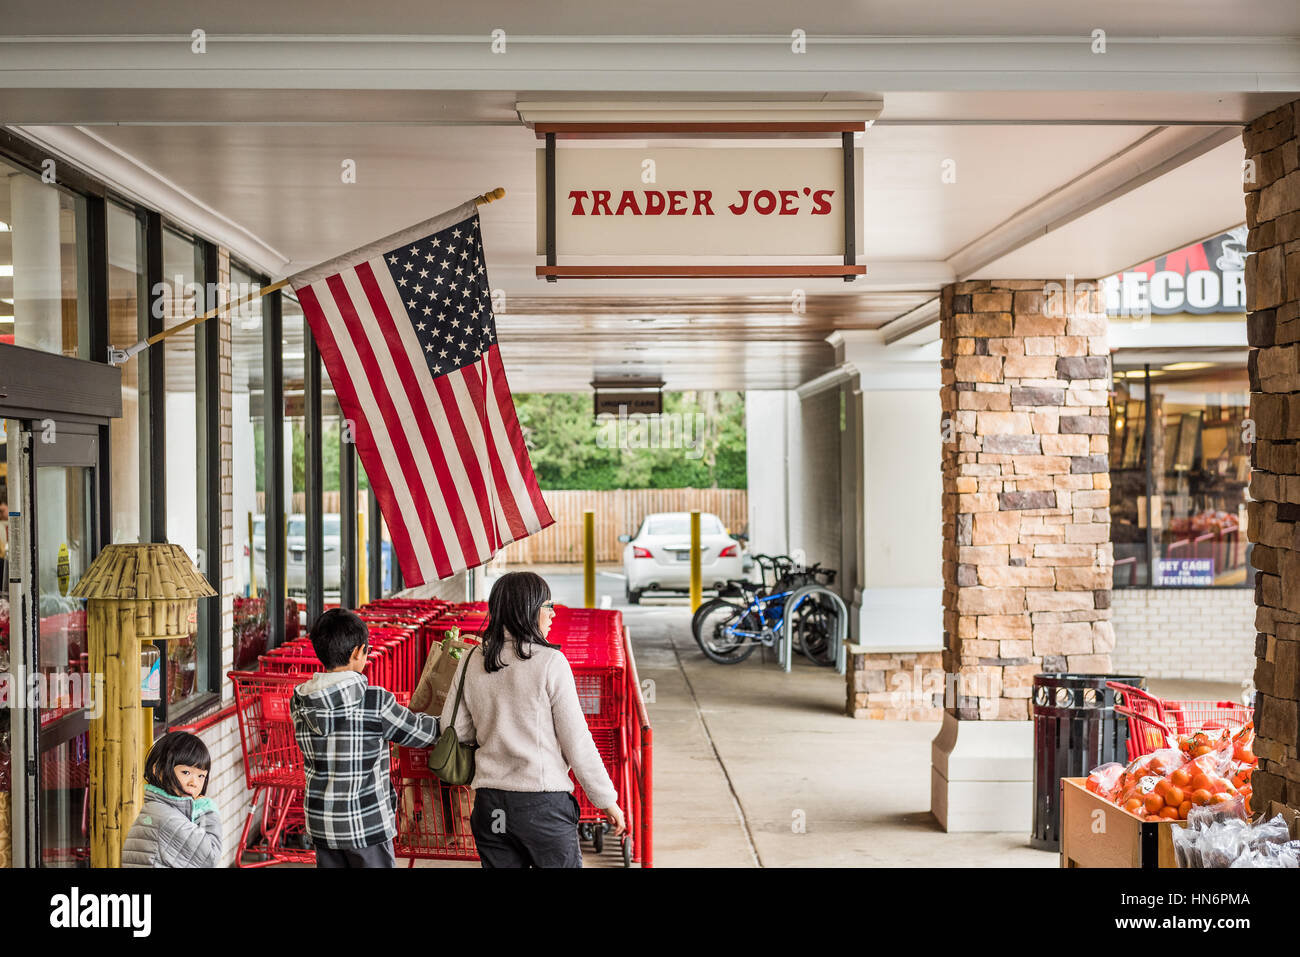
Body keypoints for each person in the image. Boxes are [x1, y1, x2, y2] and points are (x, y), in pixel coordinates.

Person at [442, 571, 625, 868]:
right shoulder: (550, 662)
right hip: (542, 807)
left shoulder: (472, 659)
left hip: (490, 806)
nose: (552, 614)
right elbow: (576, 741)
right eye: (547, 605)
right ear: (527, 609)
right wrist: (606, 799)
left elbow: (455, 729)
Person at [290, 607, 440, 868]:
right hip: (366, 824)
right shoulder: (374, 700)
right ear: (358, 652)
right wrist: (448, 724)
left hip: (322, 823)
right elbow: (420, 733)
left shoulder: (300, 701)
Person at [122, 731, 221, 868]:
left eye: (201, 776)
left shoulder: (158, 810)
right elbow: (211, 856)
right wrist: (206, 809)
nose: (194, 783)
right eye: (186, 772)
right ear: (159, 771)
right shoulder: (168, 819)